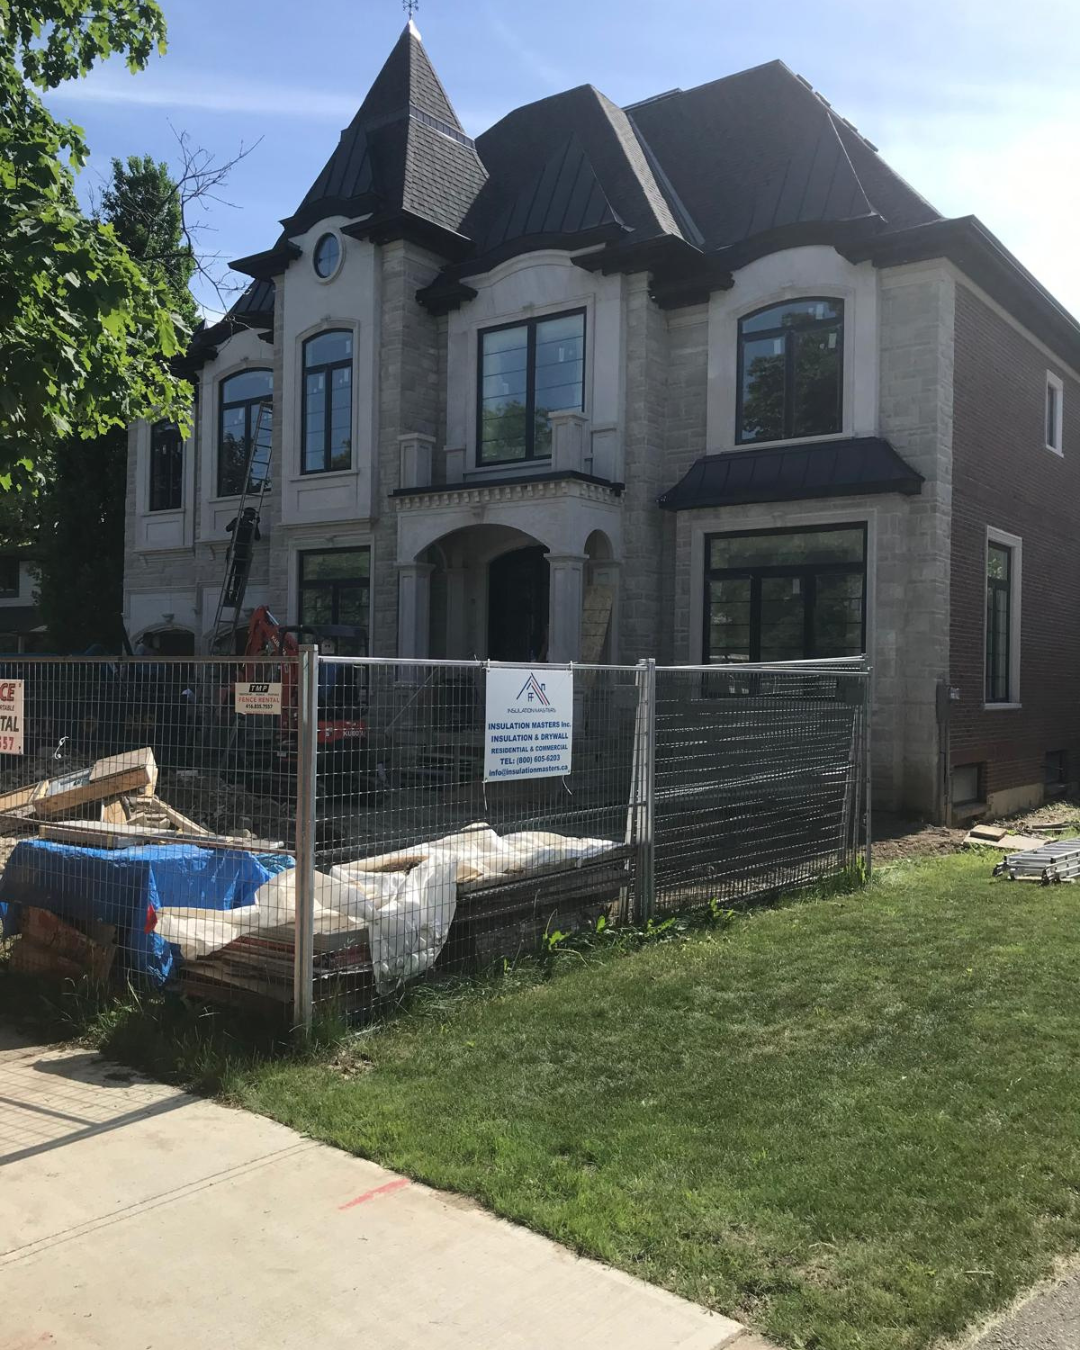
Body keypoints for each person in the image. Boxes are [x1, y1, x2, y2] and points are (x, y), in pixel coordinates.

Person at [223, 507, 262, 606]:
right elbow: (227, 528)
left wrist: (256, 525)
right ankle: (227, 596)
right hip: (235, 552)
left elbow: (257, 537)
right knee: (230, 575)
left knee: (237, 577)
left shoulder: (250, 526)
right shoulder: (237, 521)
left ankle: (233, 596)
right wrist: (237, 524)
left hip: (242, 553)